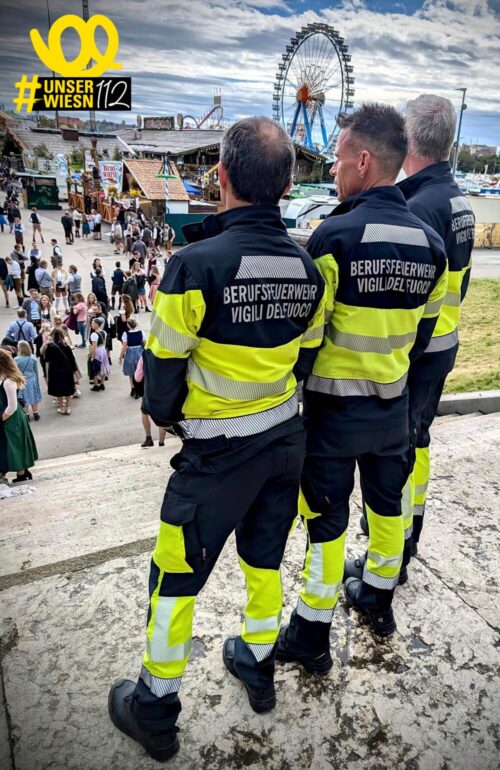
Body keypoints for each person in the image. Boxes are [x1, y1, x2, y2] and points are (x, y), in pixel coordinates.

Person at [108, 116, 326, 761]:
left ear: (223, 176)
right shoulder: (310, 270)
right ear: (287, 186)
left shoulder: (191, 265)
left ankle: (154, 706)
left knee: (175, 579)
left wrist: (185, 423)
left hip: (215, 459)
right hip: (285, 445)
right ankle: (257, 664)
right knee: (265, 561)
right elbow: (304, 361)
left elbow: (161, 383)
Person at [275, 104, 447, 678]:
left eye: (341, 159)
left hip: (331, 413)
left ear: (364, 161)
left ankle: (311, 633)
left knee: (326, 521)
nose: (336, 171)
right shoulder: (432, 245)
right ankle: (377, 598)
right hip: (392, 409)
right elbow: (422, 336)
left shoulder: (333, 235)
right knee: (387, 506)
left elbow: (309, 335)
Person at [385, 94, 475, 560]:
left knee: (401, 449)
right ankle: (412, 531)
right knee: (419, 440)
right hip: (447, 343)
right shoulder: (458, 201)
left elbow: (406, 299)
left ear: (408, 139)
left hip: (420, 353)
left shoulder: (419, 209)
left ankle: (394, 546)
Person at [0, 349, 38, 484]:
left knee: (15, 445)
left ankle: (22, 474)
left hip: (11, 417)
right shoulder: (7, 377)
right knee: (15, 444)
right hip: (13, 417)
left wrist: (2, 419)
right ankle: (22, 473)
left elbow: (12, 406)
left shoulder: (8, 381)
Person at [134, 355, 167, 448]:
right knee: (162, 416)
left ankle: (148, 438)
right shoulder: (165, 353)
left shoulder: (144, 356)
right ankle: (161, 442)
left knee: (144, 412)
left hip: (149, 390)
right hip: (163, 389)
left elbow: (137, 377)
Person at [43, 328, 77, 415]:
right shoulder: (66, 346)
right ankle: (68, 408)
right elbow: (72, 359)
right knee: (68, 389)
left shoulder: (50, 347)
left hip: (55, 370)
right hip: (67, 369)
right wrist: (74, 370)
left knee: (59, 390)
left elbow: (47, 359)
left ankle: (61, 408)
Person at [15, 341, 42, 421]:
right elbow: (35, 371)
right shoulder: (32, 358)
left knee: (24, 398)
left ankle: (27, 415)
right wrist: (36, 381)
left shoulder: (16, 359)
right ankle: (36, 414)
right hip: (32, 380)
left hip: (22, 381)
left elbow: (16, 372)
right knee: (34, 397)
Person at [118, 318, 145, 396]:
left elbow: (124, 346)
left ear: (128, 325)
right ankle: (140, 389)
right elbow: (145, 344)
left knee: (131, 373)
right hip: (140, 352)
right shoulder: (141, 332)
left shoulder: (125, 334)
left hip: (130, 353)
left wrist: (120, 356)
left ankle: (133, 389)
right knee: (140, 371)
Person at [88, 317, 109, 391]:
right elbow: (105, 343)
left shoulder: (94, 334)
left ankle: (96, 385)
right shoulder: (104, 332)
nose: (91, 324)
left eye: (93, 323)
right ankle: (102, 384)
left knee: (95, 368)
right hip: (103, 350)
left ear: (97, 324)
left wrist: (92, 356)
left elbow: (94, 347)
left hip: (97, 351)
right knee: (103, 366)